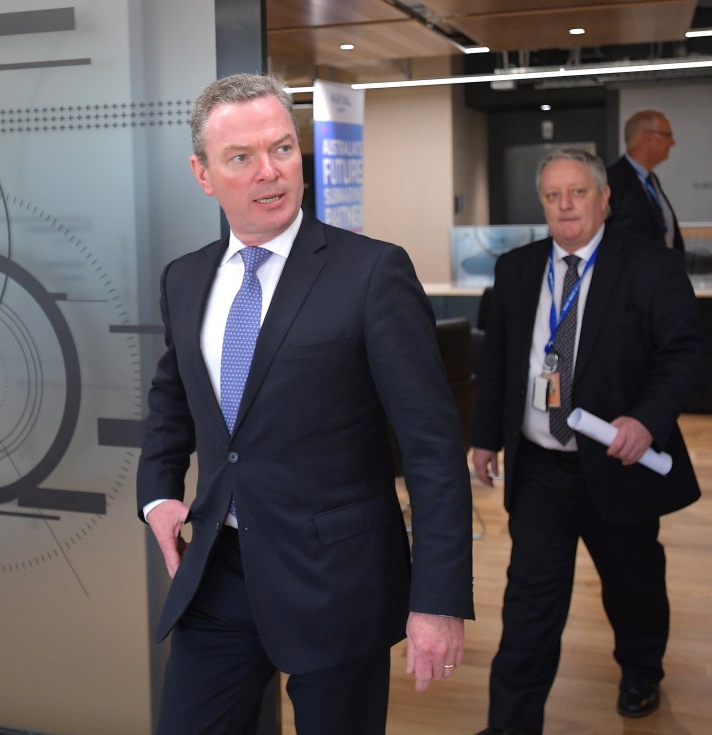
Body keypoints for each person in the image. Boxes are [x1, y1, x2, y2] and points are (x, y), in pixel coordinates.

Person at [137, 73, 474, 735]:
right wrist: (157, 493)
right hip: (221, 569)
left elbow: (434, 449)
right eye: (241, 157)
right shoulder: (185, 278)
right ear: (203, 173)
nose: (270, 172)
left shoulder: (372, 273)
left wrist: (437, 599)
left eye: (282, 149)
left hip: (337, 581)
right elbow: (173, 400)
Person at [471, 148, 706, 734]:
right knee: (528, 605)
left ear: (604, 199)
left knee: (633, 585)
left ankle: (641, 668)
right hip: (540, 471)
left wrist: (646, 421)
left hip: (617, 463)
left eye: (577, 193)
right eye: (553, 196)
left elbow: (684, 357)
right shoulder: (518, 269)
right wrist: (483, 439)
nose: (565, 206)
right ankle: (510, 726)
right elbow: (497, 361)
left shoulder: (651, 267)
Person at [607, 110, 684, 252]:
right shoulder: (611, 181)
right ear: (648, 138)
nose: (672, 143)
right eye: (668, 135)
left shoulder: (652, 180)